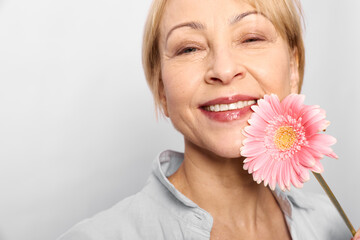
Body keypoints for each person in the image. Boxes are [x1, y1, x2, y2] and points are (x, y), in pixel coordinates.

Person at [58, 0, 360, 239]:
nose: (224, 70)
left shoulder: (332, 225)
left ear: (293, 69)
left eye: (251, 38)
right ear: (162, 88)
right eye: (189, 48)